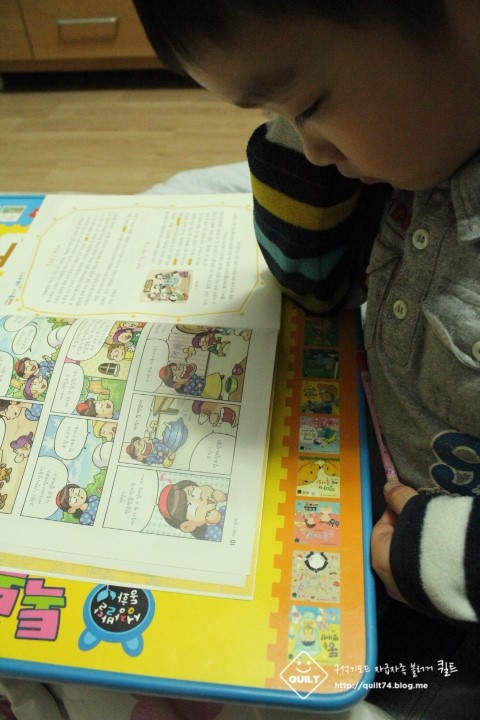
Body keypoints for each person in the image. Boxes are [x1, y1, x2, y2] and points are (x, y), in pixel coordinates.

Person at [127, 1, 480, 718]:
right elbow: (314, 285)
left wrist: (450, 555)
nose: (314, 149)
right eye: (278, 114)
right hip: (373, 510)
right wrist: (297, 140)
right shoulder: (424, 143)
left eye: (311, 104)